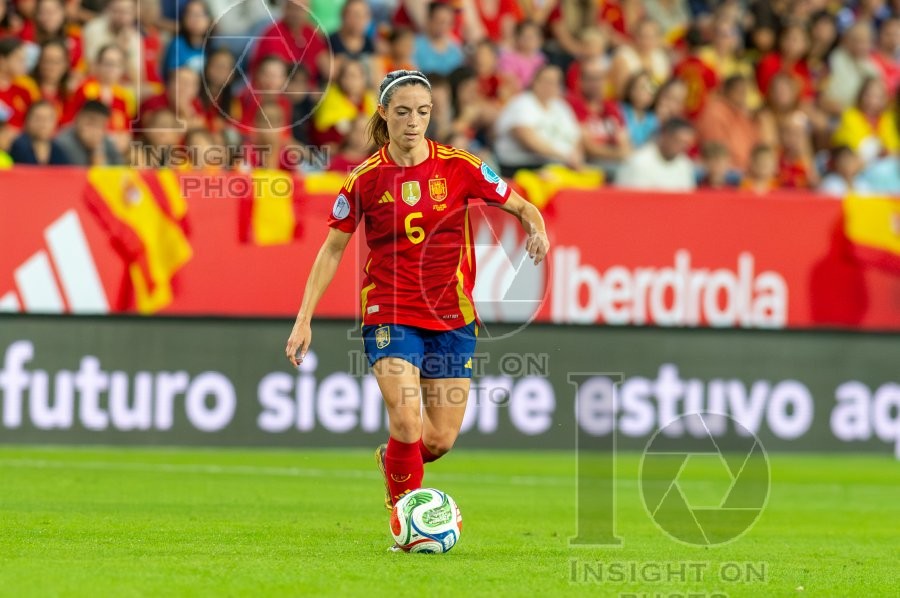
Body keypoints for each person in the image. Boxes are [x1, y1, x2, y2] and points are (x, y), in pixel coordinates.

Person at [283, 70, 549, 548]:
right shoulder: (365, 178)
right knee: (405, 418)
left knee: (438, 440)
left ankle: (396, 461)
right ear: (384, 114)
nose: (413, 122)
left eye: (423, 112)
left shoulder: (461, 167)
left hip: (452, 316)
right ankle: (406, 523)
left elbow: (524, 206)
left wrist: (537, 228)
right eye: (403, 112)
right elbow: (332, 249)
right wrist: (304, 318)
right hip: (389, 310)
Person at [494, 64, 583, 176]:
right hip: (520, 167)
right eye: (546, 81)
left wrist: (575, 156)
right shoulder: (521, 103)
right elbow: (527, 139)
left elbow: (577, 137)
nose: (550, 86)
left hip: (557, 165)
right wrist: (564, 155)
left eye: (555, 82)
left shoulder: (561, 107)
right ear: (534, 81)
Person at [615, 117, 696, 191]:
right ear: (665, 135)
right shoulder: (639, 162)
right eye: (678, 141)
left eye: (686, 143)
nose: (683, 147)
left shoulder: (685, 165)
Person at [55, 99, 124, 165]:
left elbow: (121, 170)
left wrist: (99, 154)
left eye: (100, 126)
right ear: (78, 119)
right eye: (90, 123)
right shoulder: (61, 143)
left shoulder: (107, 142)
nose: (95, 131)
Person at [9, 99, 68, 163]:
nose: (43, 123)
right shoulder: (17, 147)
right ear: (27, 121)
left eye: (48, 119)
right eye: (38, 118)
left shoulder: (58, 151)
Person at [412, 2, 463, 75]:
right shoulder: (414, 45)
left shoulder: (455, 49)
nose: (443, 26)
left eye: (447, 22)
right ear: (429, 19)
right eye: (439, 21)